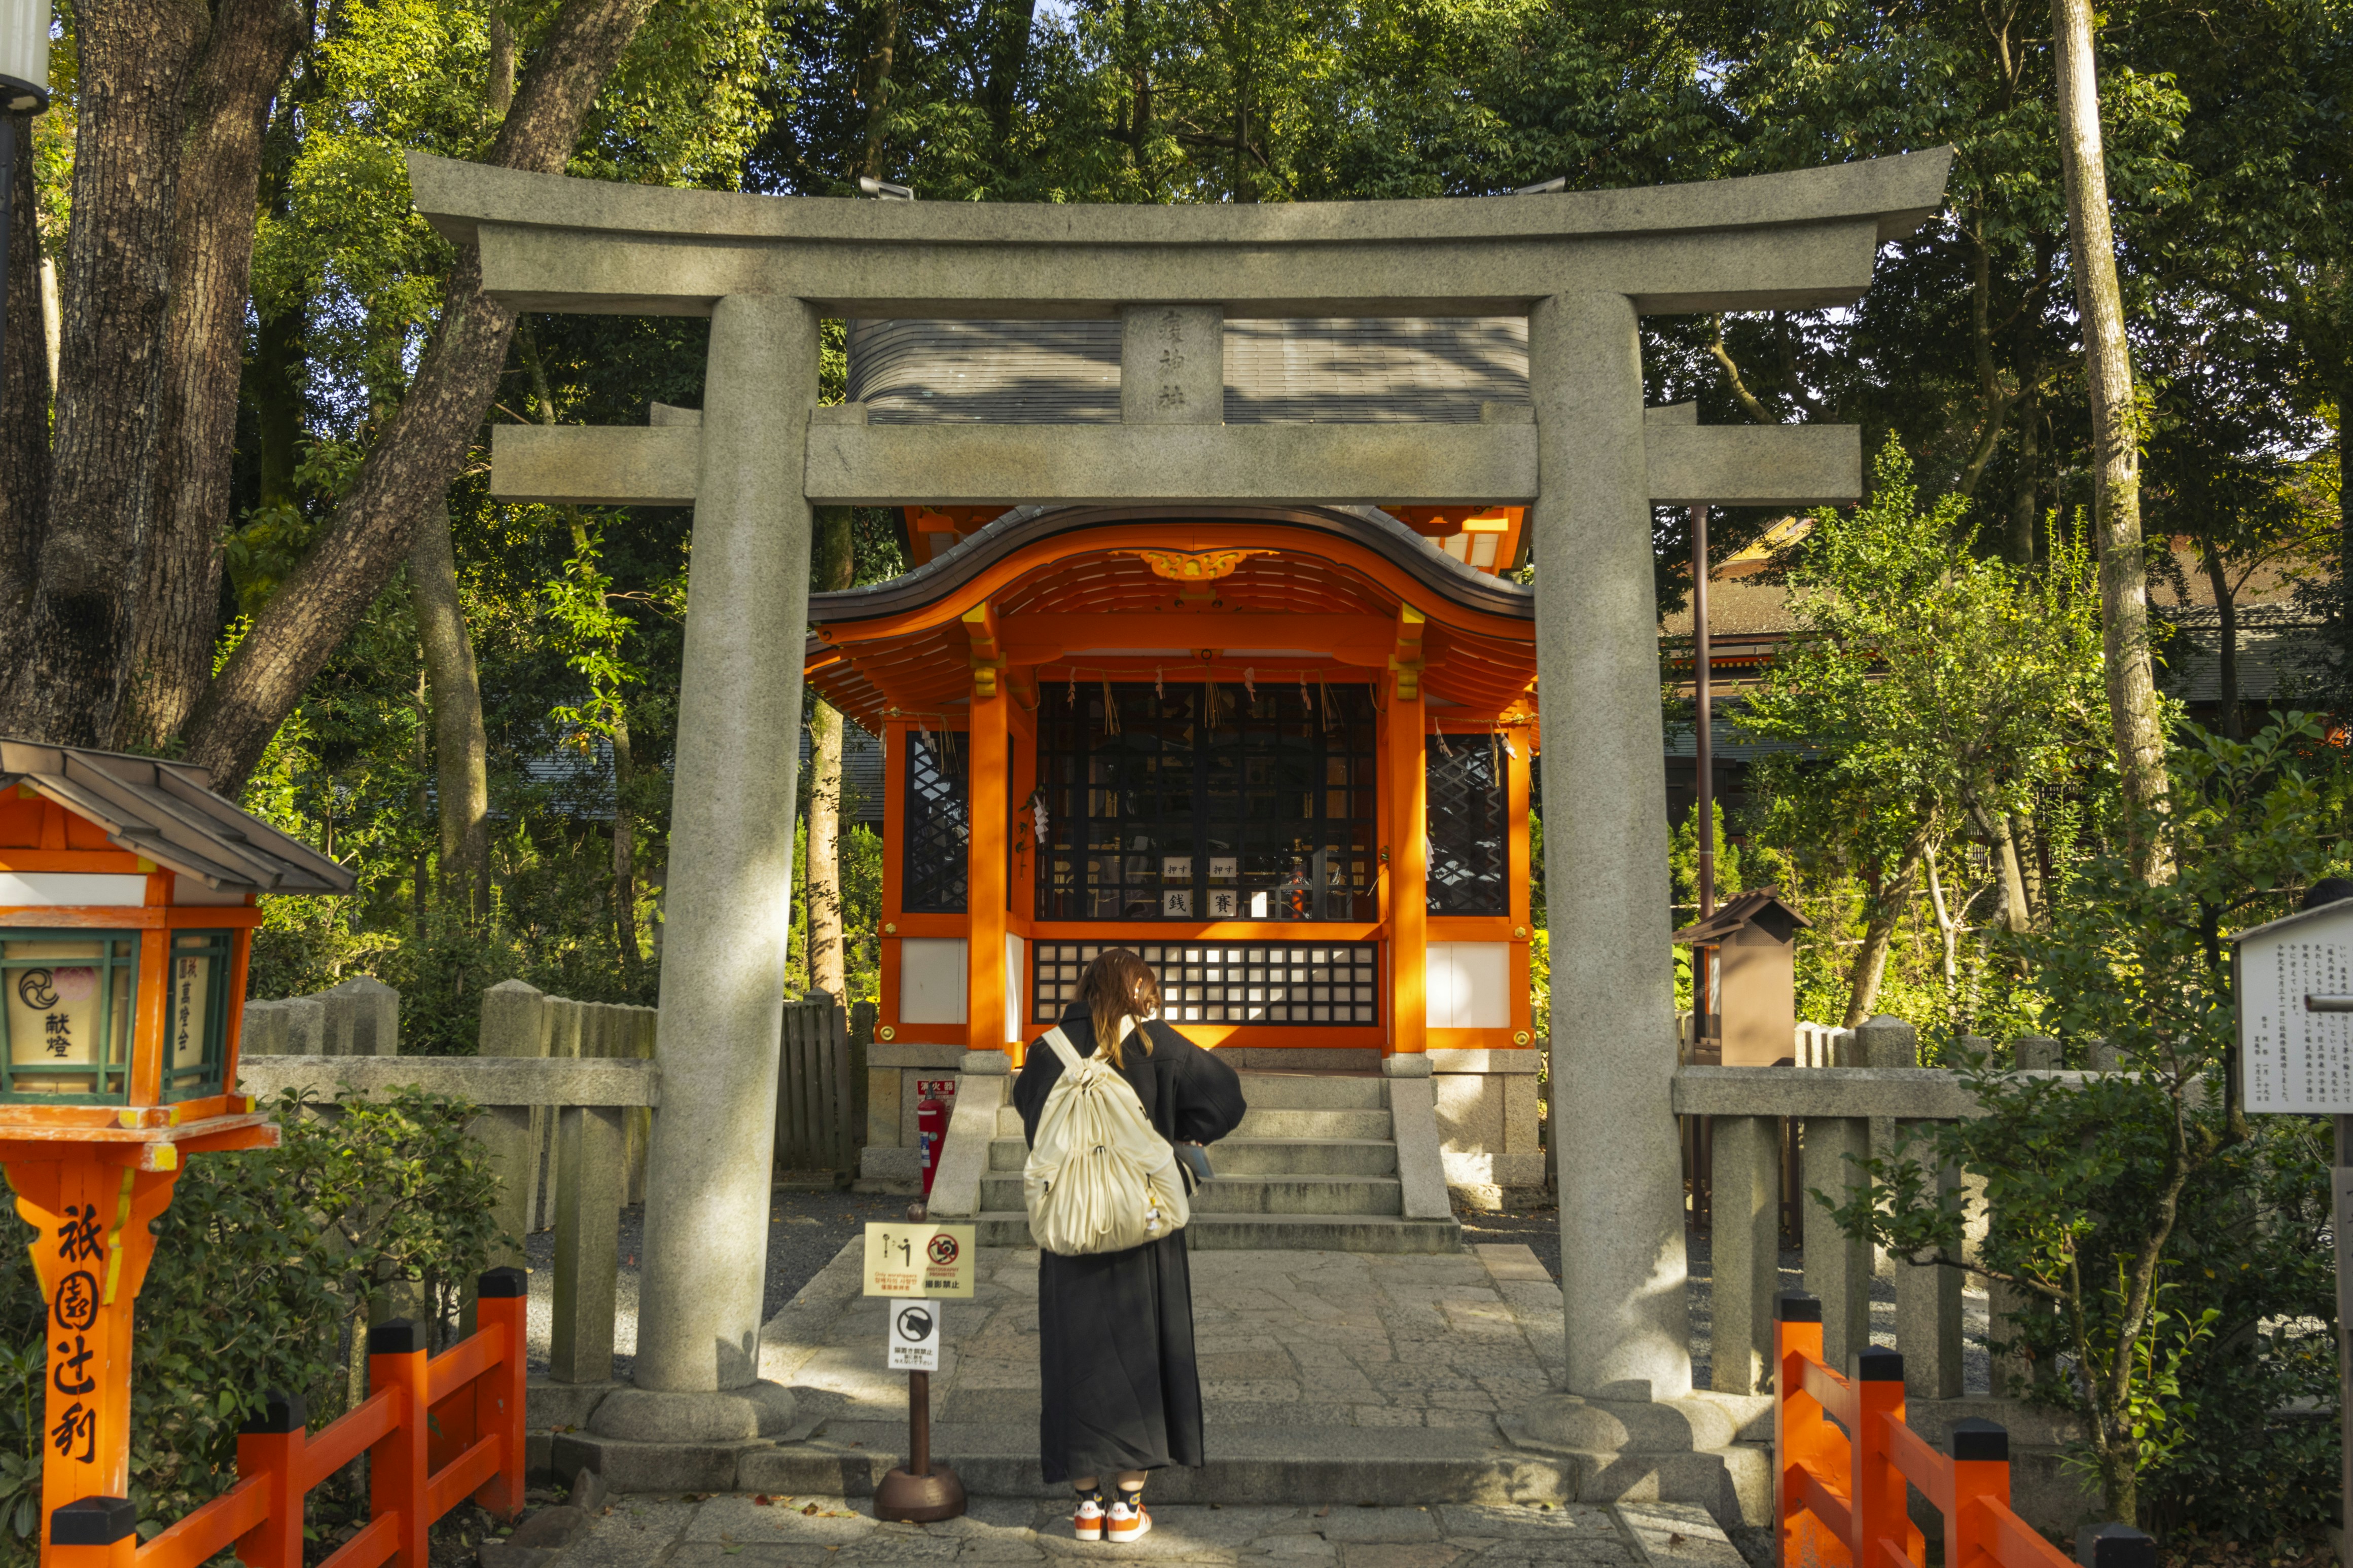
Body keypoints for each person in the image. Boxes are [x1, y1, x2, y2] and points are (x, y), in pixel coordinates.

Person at [1014, 947, 1246, 1544]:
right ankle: (1127, 1508)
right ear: (1138, 990)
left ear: (1086, 987)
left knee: (1076, 1359)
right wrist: (1175, 1135)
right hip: (1142, 1226)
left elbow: (1030, 1119)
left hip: (1070, 1227)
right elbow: (1225, 1100)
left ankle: (1085, 1506)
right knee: (1143, 1355)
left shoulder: (1046, 1051)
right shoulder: (1156, 1045)